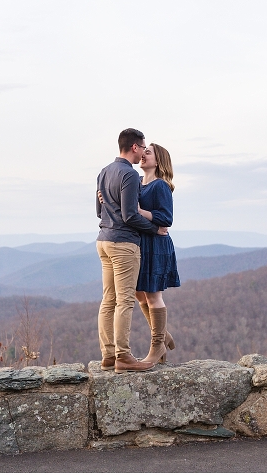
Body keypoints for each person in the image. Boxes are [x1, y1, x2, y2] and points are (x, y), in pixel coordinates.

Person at [96, 128, 167, 374]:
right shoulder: (129, 175)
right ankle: (123, 357)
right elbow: (129, 215)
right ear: (134, 147)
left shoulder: (104, 173)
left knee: (108, 300)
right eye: (142, 147)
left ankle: (107, 355)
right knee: (125, 300)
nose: (143, 153)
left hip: (103, 240)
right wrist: (153, 229)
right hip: (123, 243)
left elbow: (99, 210)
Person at [134, 143, 180, 364]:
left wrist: (140, 212)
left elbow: (167, 218)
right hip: (142, 245)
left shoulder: (160, 186)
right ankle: (163, 335)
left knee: (153, 296)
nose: (143, 155)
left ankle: (157, 345)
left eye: (148, 153)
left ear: (158, 160)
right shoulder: (138, 184)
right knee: (138, 293)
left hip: (157, 246)